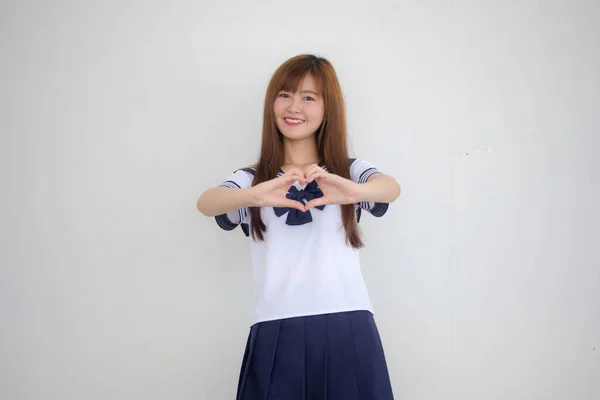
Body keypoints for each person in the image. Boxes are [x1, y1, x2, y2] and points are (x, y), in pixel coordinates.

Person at [196, 54, 401, 400]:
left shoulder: (347, 171)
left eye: (309, 97)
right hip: (276, 325)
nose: (294, 107)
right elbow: (207, 202)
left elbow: (390, 188)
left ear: (327, 108)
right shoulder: (253, 180)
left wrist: (354, 191)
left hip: (347, 321)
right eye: (285, 94)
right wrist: (253, 197)